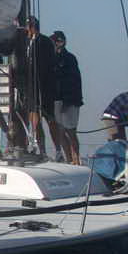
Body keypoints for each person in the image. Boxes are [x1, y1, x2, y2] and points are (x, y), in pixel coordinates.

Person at [10, 16, 62, 157]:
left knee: (50, 119)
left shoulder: (45, 42)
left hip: (45, 88)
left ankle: (58, 150)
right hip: (30, 88)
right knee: (35, 121)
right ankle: (42, 150)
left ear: (32, 28)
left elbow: (49, 65)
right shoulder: (25, 43)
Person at [51, 30, 83, 165]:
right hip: (57, 99)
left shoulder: (69, 59)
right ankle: (69, 159)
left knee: (71, 131)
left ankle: (76, 159)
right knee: (60, 131)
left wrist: (69, 101)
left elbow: (74, 81)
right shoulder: (53, 58)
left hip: (69, 101)